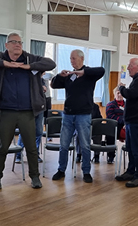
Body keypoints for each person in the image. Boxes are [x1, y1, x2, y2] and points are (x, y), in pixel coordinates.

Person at [0, 32, 56, 189]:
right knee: (2, 146)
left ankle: (34, 177)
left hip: (27, 112)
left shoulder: (29, 58)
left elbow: (50, 63)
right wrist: (4, 64)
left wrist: (30, 66)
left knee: (31, 147)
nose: (17, 44)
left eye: (19, 42)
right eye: (13, 42)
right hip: (7, 111)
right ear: (6, 45)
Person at [51, 49, 105, 183]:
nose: (71, 61)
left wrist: (83, 72)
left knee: (85, 145)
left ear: (81, 59)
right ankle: (61, 170)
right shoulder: (69, 76)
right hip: (68, 114)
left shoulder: (89, 74)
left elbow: (102, 70)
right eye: (70, 59)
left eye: (74, 58)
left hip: (83, 115)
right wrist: (59, 75)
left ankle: (86, 171)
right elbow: (53, 84)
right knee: (64, 145)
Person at [115, 58, 138, 187]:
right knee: (130, 148)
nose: (128, 68)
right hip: (132, 120)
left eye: (130, 66)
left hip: (136, 120)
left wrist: (122, 89)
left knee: (136, 149)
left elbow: (132, 94)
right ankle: (130, 172)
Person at [15, 80, 47, 163]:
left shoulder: (41, 80)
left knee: (39, 132)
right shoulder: (27, 78)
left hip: (39, 108)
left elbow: (44, 89)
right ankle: (18, 154)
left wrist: (43, 87)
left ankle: (35, 155)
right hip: (28, 109)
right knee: (24, 132)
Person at [106, 86, 125, 163]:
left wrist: (126, 123)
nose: (119, 95)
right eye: (118, 93)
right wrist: (123, 120)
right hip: (114, 126)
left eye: (121, 93)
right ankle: (111, 156)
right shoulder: (110, 104)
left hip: (125, 126)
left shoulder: (127, 105)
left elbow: (130, 115)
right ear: (114, 94)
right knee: (110, 131)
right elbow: (110, 116)